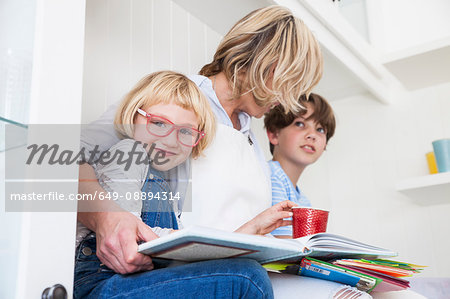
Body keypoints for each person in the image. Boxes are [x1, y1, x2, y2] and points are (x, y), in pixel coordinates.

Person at [75, 70, 292, 298]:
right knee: (249, 278)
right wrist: (182, 238)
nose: (170, 140)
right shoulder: (130, 153)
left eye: (186, 131)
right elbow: (130, 236)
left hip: (136, 280)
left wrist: (251, 229)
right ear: (133, 117)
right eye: (158, 123)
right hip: (101, 281)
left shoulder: (168, 181)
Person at [264, 93, 336, 238]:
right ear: (274, 135)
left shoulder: (302, 200)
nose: (312, 135)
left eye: (320, 129)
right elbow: (283, 244)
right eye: (300, 124)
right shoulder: (271, 176)